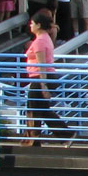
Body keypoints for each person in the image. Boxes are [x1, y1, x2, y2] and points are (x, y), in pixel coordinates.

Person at [24, 10, 67, 140]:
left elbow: (41, 65)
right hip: (43, 77)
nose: (30, 26)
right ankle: (33, 137)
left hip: (41, 77)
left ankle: (34, 137)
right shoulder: (45, 38)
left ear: (38, 25)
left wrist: (43, 86)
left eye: (32, 23)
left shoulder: (40, 41)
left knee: (35, 108)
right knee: (39, 108)